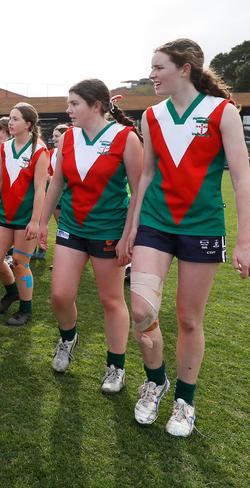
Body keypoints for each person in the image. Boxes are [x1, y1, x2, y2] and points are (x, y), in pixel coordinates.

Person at [127, 39, 250, 436]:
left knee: (187, 319)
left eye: (158, 67)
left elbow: (242, 177)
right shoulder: (151, 116)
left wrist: (245, 240)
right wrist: (132, 226)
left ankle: (184, 401)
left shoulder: (223, 112)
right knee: (142, 311)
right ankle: (155, 380)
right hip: (155, 225)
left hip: (202, 229)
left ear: (185, 69)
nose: (152, 74)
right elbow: (146, 175)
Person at [38, 79, 143, 393]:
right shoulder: (67, 139)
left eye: (74, 104)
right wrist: (42, 222)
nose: (68, 110)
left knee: (111, 300)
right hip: (72, 226)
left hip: (109, 230)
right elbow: (56, 184)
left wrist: (129, 235)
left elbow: (138, 191)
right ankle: (68, 338)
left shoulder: (126, 138)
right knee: (60, 295)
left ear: (97, 105)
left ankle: (116, 366)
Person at [0, 103, 49, 326]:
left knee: (21, 262)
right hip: (6, 215)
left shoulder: (39, 150)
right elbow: (0, 180)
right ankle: (12, 291)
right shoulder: (4, 148)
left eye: (15, 119)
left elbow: (41, 188)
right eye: (10, 118)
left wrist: (35, 221)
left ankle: (26, 308)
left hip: (26, 218)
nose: (10, 123)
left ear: (29, 124)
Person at [33, 123, 69, 261]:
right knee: (47, 221)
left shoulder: (72, 152)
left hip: (66, 193)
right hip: (52, 192)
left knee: (64, 227)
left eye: (57, 136)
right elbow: (45, 170)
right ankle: (41, 248)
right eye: (53, 136)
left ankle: (66, 257)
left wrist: (54, 178)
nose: (53, 139)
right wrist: (48, 177)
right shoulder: (52, 152)